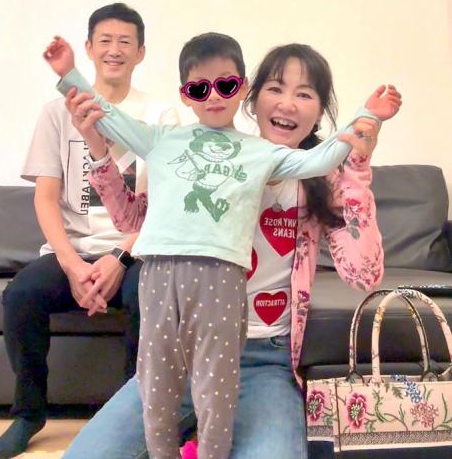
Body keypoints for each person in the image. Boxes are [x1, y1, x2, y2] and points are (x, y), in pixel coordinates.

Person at [44, 33, 398, 459]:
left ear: (320, 111)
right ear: (253, 97)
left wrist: (356, 164)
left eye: (304, 94)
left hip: (261, 362)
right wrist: (98, 146)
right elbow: (132, 221)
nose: (287, 104)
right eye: (276, 88)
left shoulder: (320, 183)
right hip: (181, 352)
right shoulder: (199, 155)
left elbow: (364, 274)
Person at [0, 3, 179, 459]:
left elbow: (166, 203)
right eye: (105, 41)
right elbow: (45, 198)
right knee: (21, 295)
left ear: (141, 53)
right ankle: (29, 413)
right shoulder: (57, 113)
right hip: (73, 251)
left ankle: (133, 417)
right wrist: (72, 265)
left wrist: (119, 258)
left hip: (138, 250)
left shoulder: (161, 115)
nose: (115, 50)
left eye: (125, 42)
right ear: (90, 49)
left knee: (151, 294)